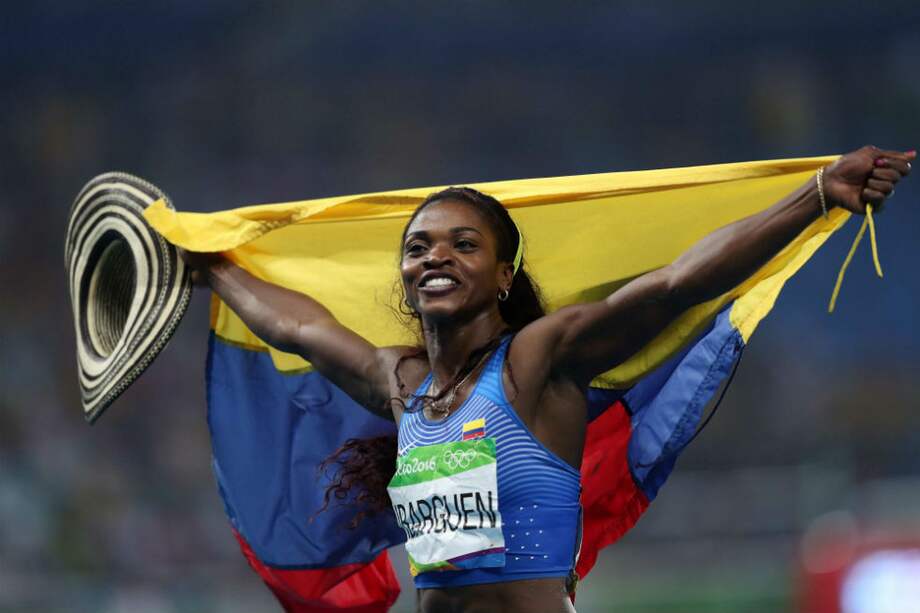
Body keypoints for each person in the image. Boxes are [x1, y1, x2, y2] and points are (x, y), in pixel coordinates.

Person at [181, 146, 913, 613]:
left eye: (463, 244)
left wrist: (814, 194)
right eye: (418, 247)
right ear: (403, 276)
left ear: (503, 276)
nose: (435, 256)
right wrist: (207, 264)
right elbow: (299, 328)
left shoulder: (538, 361)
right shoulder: (401, 384)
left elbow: (675, 285)